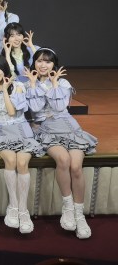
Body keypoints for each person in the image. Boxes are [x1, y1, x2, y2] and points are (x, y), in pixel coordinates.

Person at [25, 48, 97, 239]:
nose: (43, 65)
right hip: (46, 129)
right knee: (63, 160)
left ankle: (79, 214)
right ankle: (68, 207)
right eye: (39, 61)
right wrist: (33, 85)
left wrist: (54, 84)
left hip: (68, 126)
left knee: (76, 167)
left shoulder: (63, 83)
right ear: (34, 63)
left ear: (54, 65)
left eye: (48, 62)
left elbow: (59, 107)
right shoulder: (29, 83)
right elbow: (35, 109)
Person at [0, 55, 43, 234]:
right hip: (1, 131)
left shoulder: (18, 86)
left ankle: (23, 210)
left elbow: (11, 111)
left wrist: (5, 91)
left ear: (4, 69)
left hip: (21, 129)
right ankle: (13, 206)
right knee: (10, 161)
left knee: (22, 163)